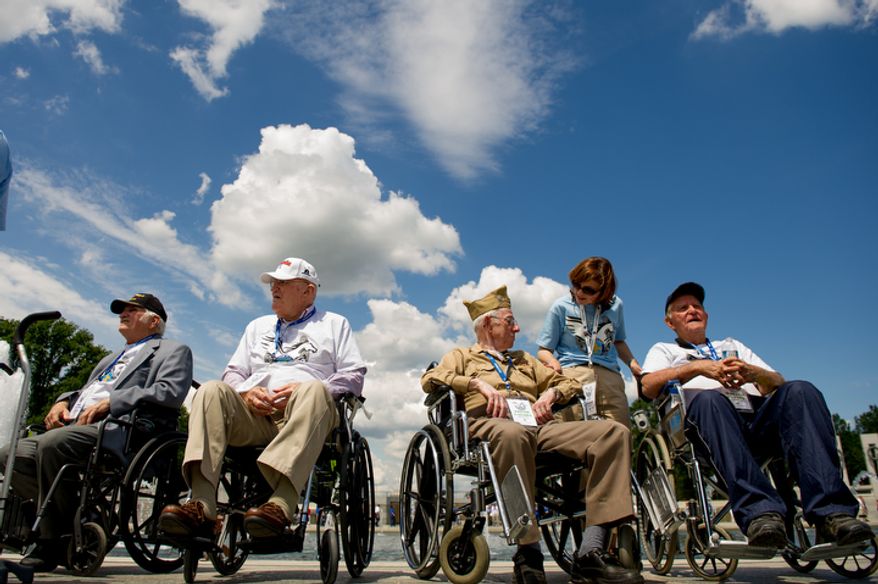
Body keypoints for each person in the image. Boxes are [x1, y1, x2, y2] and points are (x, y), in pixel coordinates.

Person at [422, 286, 642, 584]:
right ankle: (528, 551)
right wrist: (476, 385)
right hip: (488, 426)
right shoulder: (461, 356)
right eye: (509, 321)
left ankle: (591, 550)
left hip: (539, 428)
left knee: (613, 433)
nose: (518, 327)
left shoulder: (525, 359)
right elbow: (430, 379)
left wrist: (551, 393)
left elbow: (570, 385)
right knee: (512, 434)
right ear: (488, 324)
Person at [640, 282, 873, 549]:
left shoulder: (732, 344)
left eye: (697, 306)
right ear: (670, 322)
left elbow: (775, 380)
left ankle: (832, 513)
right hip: (708, 424)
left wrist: (752, 373)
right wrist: (699, 368)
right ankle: (760, 513)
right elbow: (648, 386)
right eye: (683, 308)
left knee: (801, 390)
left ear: (706, 315)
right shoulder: (664, 350)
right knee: (709, 398)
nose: (692, 310)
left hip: (757, 420)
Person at [159, 257, 366, 540]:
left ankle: (281, 504)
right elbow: (233, 372)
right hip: (254, 416)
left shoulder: (334, 324)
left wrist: (305, 389)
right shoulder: (257, 326)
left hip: (305, 415)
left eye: (283, 283)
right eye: (273, 283)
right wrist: (245, 392)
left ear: (308, 291)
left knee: (314, 390)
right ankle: (202, 504)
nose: (274, 289)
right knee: (209, 390)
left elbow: (353, 376)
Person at [1, 293, 193, 572]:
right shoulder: (110, 358)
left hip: (120, 429)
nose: (123, 314)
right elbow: (86, 391)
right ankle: (70, 519)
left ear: (154, 321)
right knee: (8, 455)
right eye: (122, 311)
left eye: (132, 310)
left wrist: (114, 402)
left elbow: (170, 392)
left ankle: (52, 538)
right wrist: (62, 401)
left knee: (53, 445)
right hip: (77, 424)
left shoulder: (173, 351)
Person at [537, 257, 640, 427]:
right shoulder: (561, 307)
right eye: (576, 285)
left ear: (605, 291)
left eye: (588, 290)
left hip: (609, 379)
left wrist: (633, 363)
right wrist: (552, 361)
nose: (579, 293)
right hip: (572, 375)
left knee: (619, 434)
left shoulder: (616, 306)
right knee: (570, 437)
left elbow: (618, 341)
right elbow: (543, 349)